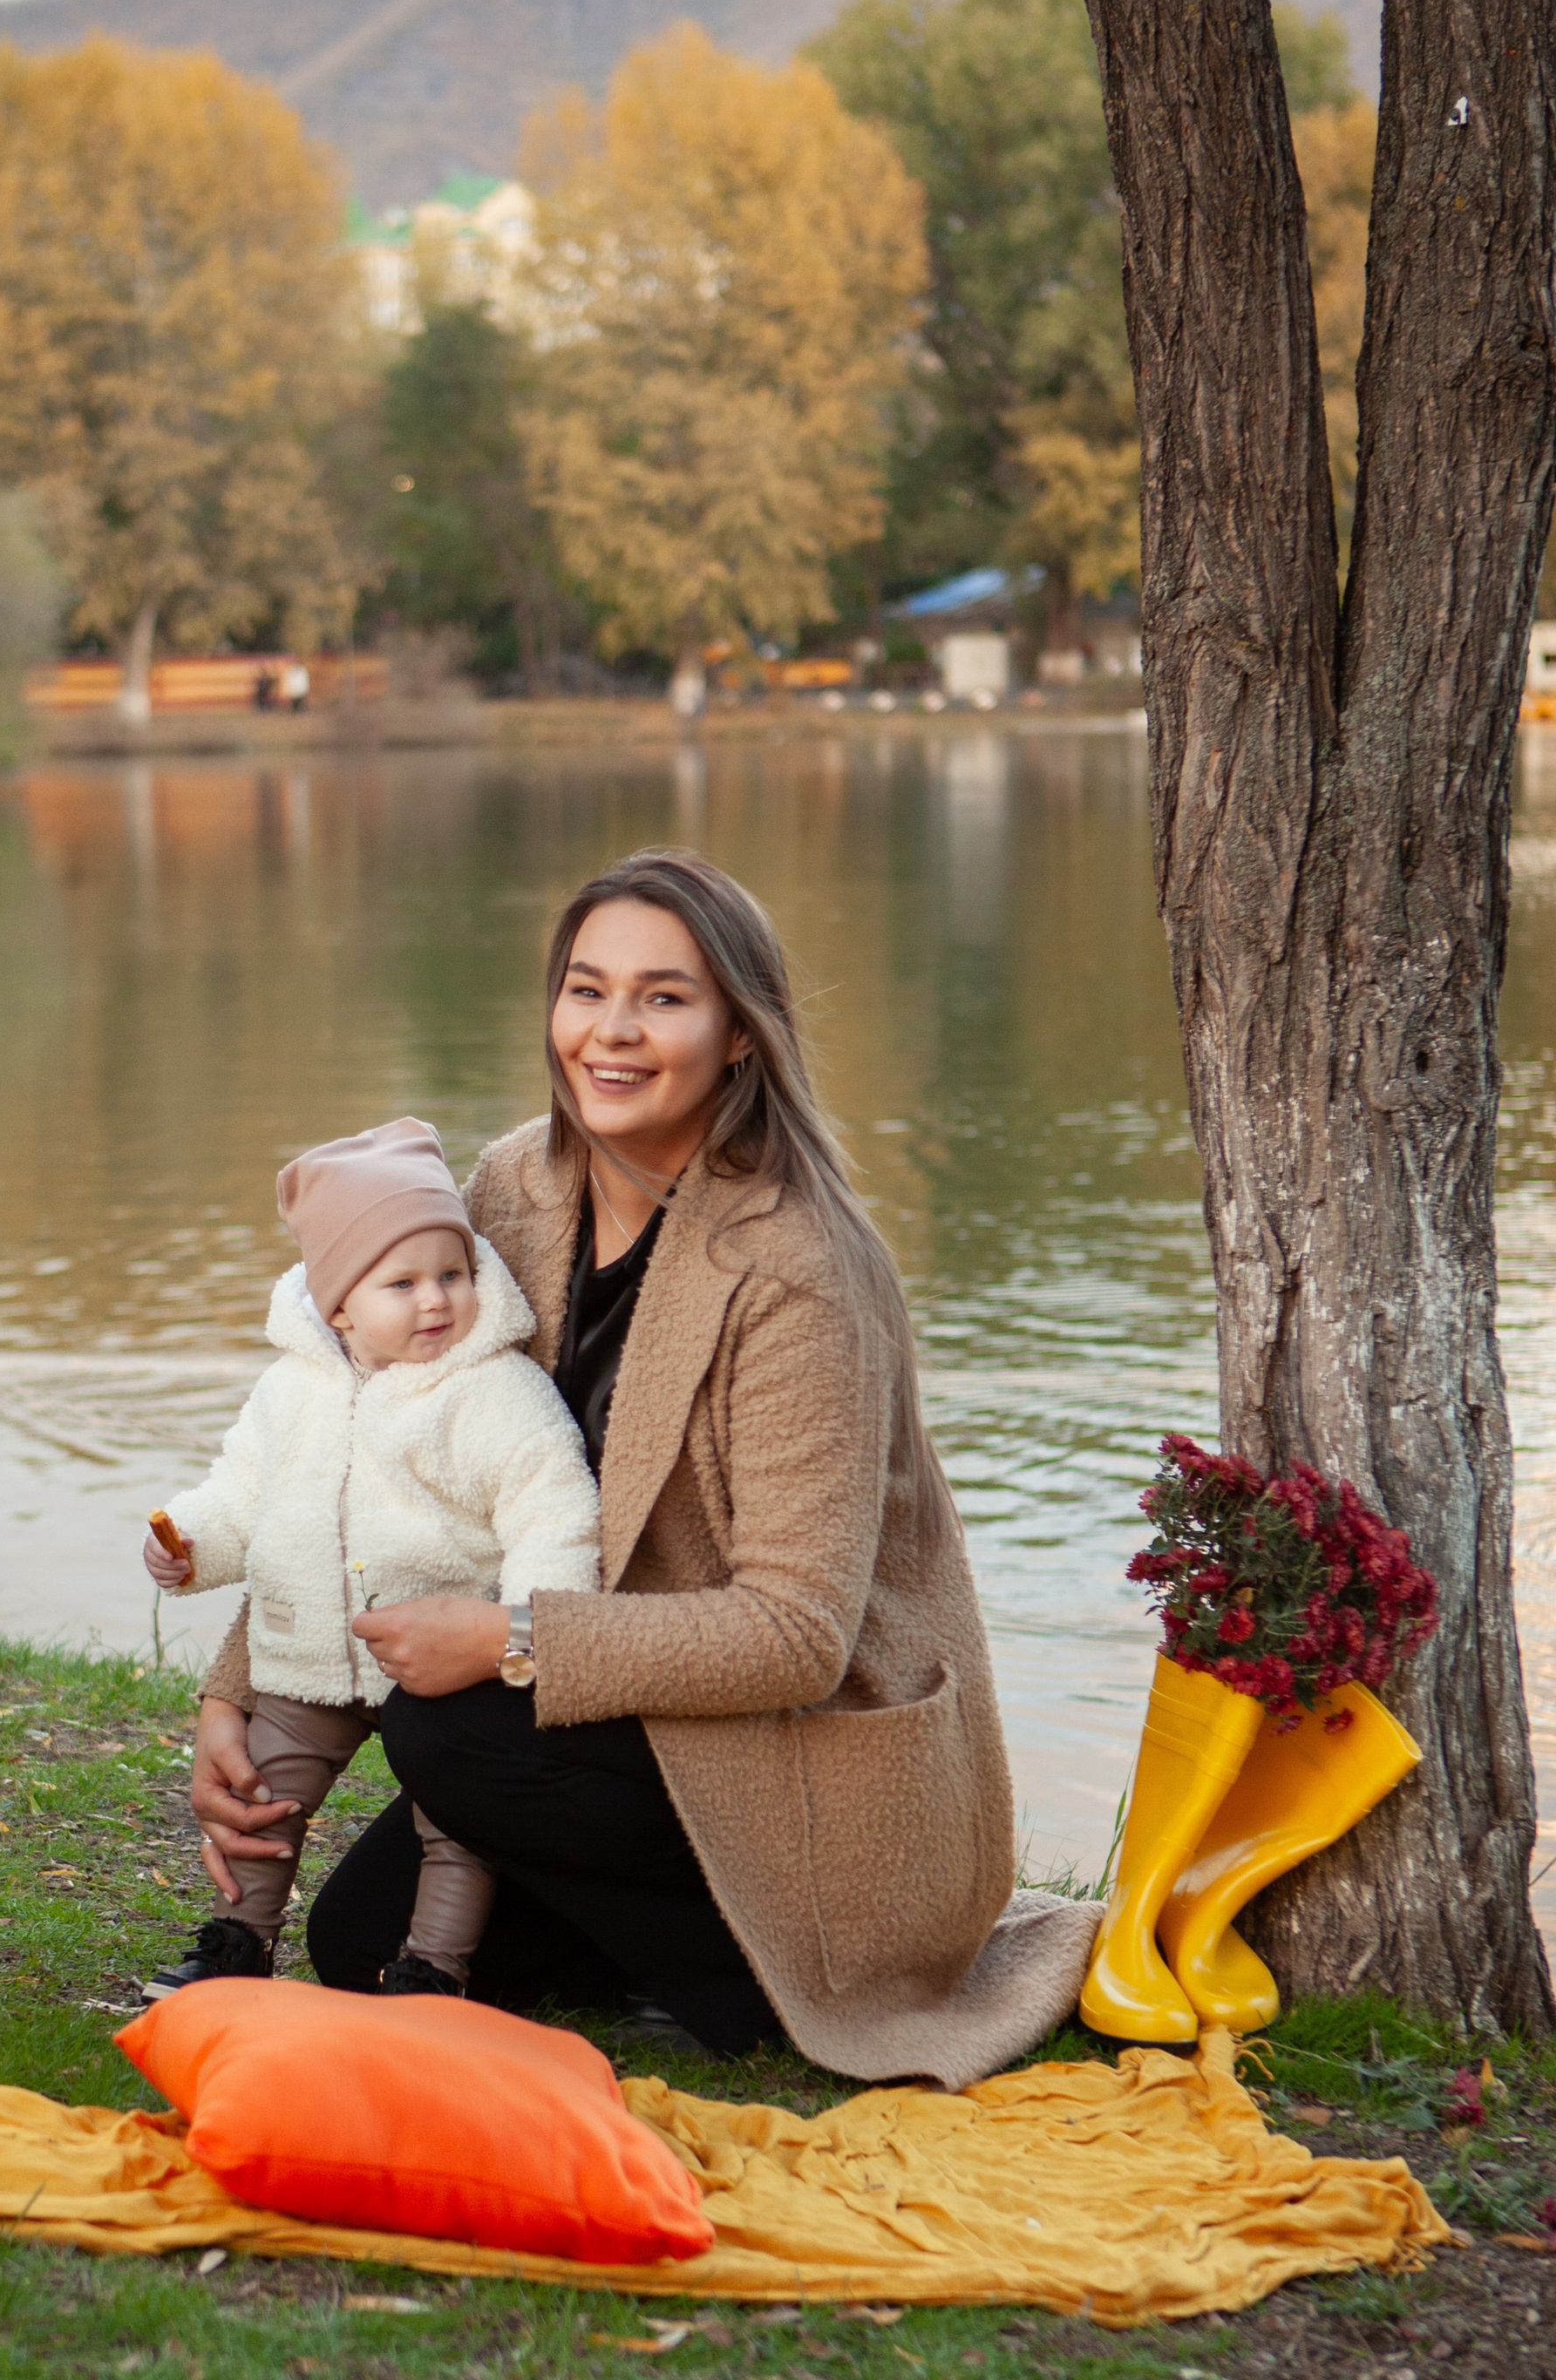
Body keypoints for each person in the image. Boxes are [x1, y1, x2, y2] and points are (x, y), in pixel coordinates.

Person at [187, 851, 1098, 2087]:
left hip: (806, 1747)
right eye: (585, 989)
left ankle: (769, 1975)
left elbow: (797, 1636)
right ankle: (656, 1950)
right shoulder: (517, 1186)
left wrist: (510, 1641)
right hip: (634, 1720)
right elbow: (354, 1432)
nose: (610, 1033)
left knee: (449, 1737)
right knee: (360, 1944)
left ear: (738, 1034)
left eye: (663, 998)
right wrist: (236, 1692)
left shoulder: (798, 1272)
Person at [140, 1117, 601, 1999]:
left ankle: (432, 1968)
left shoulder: (495, 1391)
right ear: (339, 1304)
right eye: (405, 1283)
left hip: (445, 1669)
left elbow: (552, 1510)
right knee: (262, 1796)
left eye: (454, 1275)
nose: (437, 1301)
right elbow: (244, 1494)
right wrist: (191, 1545)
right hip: (309, 1652)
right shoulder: (292, 1391)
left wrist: (533, 1620)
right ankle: (238, 1941)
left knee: (457, 1824)